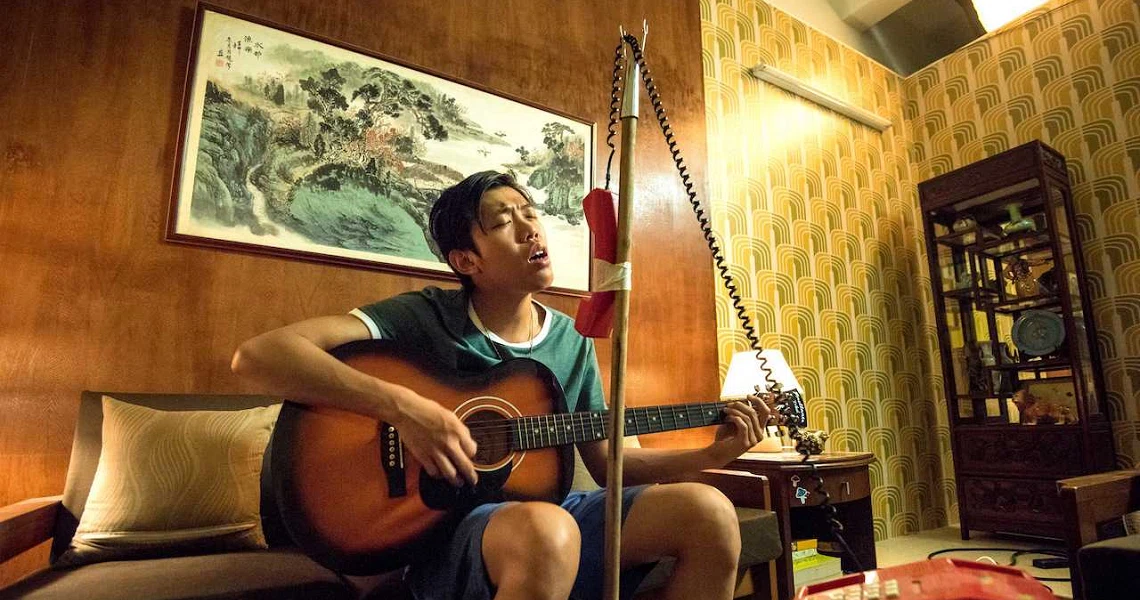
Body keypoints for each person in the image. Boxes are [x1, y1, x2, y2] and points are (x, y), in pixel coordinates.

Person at [231, 171, 770, 600]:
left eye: (531, 214)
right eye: (503, 221)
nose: (531, 228)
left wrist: (713, 452)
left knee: (710, 514)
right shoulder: (423, 316)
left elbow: (609, 465)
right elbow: (258, 358)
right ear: (467, 261)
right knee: (547, 530)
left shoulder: (572, 340)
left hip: (543, 513)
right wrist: (404, 408)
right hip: (439, 533)